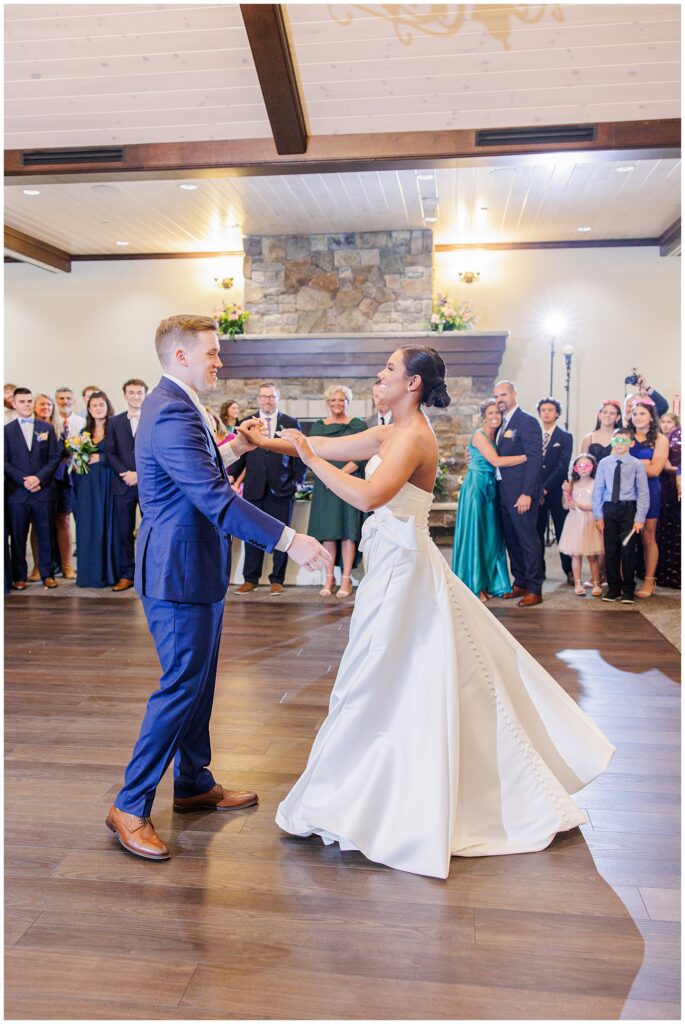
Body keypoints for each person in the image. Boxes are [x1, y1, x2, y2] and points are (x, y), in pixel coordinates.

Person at [244, 345, 615, 879]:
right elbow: (324, 439)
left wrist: (306, 458)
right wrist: (271, 442)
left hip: (402, 569)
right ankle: (361, 791)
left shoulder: (415, 436)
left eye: (390, 369)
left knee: (378, 676)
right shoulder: (391, 429)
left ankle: (380, 801)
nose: (380, 375)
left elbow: (370, 495)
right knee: (384, 675)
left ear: (413, 383)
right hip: (391, 564)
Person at [105, 314, 330, 862]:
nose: (219, 361)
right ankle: (130, 806)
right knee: (181, 683)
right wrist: (289, 540)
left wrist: (239, 447)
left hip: (195, 565)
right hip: (176, 569)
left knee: (200, 680)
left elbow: (194, 473)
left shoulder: (179, 406)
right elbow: (214, 499)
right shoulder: (171, 412)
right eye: (211, 352)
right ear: (181, 356)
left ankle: (192, 783)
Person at [228, 383, 306, 596]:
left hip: (282, 489)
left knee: (283, 535)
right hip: (254, 489)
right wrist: (232, 475)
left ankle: (277, 580)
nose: (268, 401)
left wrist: (298, 481)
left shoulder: (290, 423)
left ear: (278, 398)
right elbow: (241, 453)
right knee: (252, 534)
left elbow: (300, 453)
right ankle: (250, 579)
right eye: (264, 397)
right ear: (258, 399)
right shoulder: (248, 423)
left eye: (272, 397)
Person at [452, 399, 526, 601]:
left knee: (492, 537)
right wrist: (527, 457)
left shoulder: (499, 436)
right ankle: (475, 584)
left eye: (498, 413)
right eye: (491, 413)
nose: (495, 416)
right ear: (483, 417)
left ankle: (493, 582)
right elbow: (496, 461)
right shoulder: (479, 435)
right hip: (477, 488)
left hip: (492, 488)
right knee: (477, 535)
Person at [307, 385, 367, 598]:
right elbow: (311, 453)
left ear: (348, 402)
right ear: (327, 403)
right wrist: (328, 476)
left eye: (341, 400)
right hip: (325, 486)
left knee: (348, 532)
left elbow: (363, 453)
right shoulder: (318, 426)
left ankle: (346, 579)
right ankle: (329, 577)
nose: (337, 404)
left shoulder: (358, 425)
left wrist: (339, 475)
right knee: (329, 532)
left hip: (349, 483)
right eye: (333, 400)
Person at [492, 380, 544, 607]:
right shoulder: (500, 424)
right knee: (512, 540)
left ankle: (534, 588)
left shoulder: (527, 422)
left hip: (521, 493)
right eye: (496, 397)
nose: (499, 400)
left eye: (503, 395)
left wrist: (527, 493)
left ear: (514, 394)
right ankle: (520, 581)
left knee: (527, 540)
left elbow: (534, 459)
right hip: (503, 491)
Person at [4, 387, 61, 590]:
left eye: (29, 401)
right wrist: (24, 480)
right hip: (17, 493)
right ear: (14, 404)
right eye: (22, 401)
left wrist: (38, 478)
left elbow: (55, 457)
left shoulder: (45, 428)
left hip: (43, 491)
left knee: (46, 533)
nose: (26, 404)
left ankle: (47, 574)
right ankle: (20, 576)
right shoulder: (6, 430)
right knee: (18, 535)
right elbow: (5, 461)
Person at [593, 427, 650, 604]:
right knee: (611, 550)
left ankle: (628, 589)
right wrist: (598, 515)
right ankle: (613, 588)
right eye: (616, 441)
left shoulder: (636, 464)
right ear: (612, 442)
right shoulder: (604, 463)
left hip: (628, 509)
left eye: (623, 441)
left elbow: (643, 492)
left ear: (631, 444)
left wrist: (640, 518)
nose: (619, 444)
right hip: (609, 509)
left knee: (627, 551)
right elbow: (598, 490)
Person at [104, 378, 148, 592]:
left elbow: (157, 451)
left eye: (139, 392)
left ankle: (148, 574)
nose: (135, 396)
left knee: (151, 531)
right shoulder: (114, 422)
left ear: (145, 395)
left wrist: (140, 475)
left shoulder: (153, 419)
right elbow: (109, 451)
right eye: (131, 392)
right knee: (124, 531)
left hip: (148, 484)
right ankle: (126, 574)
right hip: (123, 484)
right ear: (125, 395)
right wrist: (126, 473)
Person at [73, 391, 120, 589]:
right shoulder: (84, 433)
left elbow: (123, 454)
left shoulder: (116, 428)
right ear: (89, 409)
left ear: (107, 406)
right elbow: (76, 456)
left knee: (109, 524)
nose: (98, 408)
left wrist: (101, 459)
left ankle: (110, 574)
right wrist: (78, 460)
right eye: (94, 405)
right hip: (87, 483)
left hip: (109, 480)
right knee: (88, 524)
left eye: (101, 404)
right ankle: (89, 575)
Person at [628, 398, 669, 598]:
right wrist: (642, 463)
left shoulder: (660, 440)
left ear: (651, 416)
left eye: (642, 413)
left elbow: (655, 470)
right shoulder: (625, 436)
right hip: (626, 492)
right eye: (634, 414)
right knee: (624, 535)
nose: (637, 417)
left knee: (647, 536)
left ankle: (649, 580)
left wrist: (633, 464)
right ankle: (621, 579)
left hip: (649, 491)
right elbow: (614, 464)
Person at [536, 397, 573, 584]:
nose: (547, 413)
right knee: (537, 533)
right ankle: (539, 571)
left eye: (550, 410)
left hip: (557, 492)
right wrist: (537, 489)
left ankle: (569, 571)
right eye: (543, 410)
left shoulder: (565, 437)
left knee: (562, 532)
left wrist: (545, 488)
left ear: (557, 413)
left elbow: (562, 466)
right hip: (536, 493)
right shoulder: (534, 435)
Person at [559, 454, 604, 597]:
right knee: (576, 555)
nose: (584, 469)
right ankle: (578, 583)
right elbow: (566, 505)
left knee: (592, 556)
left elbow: (598, 504)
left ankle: (596, 582)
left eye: (587, 466)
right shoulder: (572, 484)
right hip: (575, 522)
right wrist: (566, 492)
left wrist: (582, 506)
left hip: (590, 521)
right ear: (575, 469)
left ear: (593, 467)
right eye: (580, 466)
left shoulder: (596, 483)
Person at [27, 393, 60, 581]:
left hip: (52, 482)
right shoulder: (19, 428)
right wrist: (31, 480)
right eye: (42, 404)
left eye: (49, 404)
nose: (46, 407)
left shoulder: (53, 427)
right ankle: (38, 567)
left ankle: (57, 567)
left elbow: (55, 457)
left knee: (53, 525)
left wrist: (40, 478)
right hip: (29, 484)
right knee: (35, 527)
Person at [54, 386, 86, 579]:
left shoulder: (82, 423)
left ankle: (84, 564)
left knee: (81, 520)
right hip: (59, 478)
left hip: (80, 475)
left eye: (68, 398)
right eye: (61, 399)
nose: (65, 402)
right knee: (62, 520)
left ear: (74, 401)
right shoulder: (52, 424)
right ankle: (65, 565)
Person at [656, 413, 681, 589]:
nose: (665, 425)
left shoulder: (678, 436)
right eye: (663, 422)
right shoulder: (661, 439)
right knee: (664, 527)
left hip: (677, 484)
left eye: (669, 422)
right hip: (665, 485)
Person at [581, 400, 623, 464]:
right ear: (599, 415)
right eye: (605, 412)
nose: (607, 415)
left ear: (618, 417)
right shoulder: (588, 438)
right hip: (594, 473)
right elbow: (583, 463)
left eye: (612, 413)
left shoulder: (622, 437)